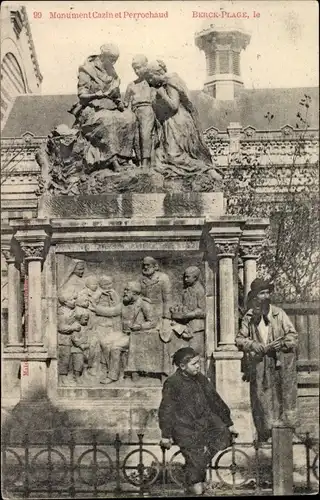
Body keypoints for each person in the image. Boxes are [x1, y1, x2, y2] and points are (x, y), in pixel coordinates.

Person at [159, 347, 236, 496]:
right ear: (182, 366)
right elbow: (166, 410)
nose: (198, 366)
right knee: (196, 461)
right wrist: (165, 434)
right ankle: (194, 485)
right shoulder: (172, 383)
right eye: (194, 364)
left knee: (224, 435)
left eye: (198, 363)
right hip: (184, 428)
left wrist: (228, 423)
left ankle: (195, 469)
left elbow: (215, 400)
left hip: (205, 423)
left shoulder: (200, 378)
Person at [235, 278, 298, 443]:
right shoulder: (249, 316)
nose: (265, 296)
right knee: (261, 399)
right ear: (254, 297)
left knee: (280, 397)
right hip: (260, 364)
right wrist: (253, 344)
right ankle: (264, 436)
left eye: (267, 293)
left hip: (279, 364)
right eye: (261, 293)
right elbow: (240, 339)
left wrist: (282, 343)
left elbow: (293, 337)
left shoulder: (279, 314)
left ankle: (282, 438)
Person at [145, 61, 222, 183]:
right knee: (165, 157)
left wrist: (161, 94)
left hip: (178, 122)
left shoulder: (170, 82)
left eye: (150, 77)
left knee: (175, 156)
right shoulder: (170, 81)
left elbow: (174, 105)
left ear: (156, 73)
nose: (150, 81)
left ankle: (208, 170)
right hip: (173, 121)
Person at [69, 43, 136, 172]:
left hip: (110, 106)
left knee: (130, 118)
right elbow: (82, 95)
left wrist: (119, 102)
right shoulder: (86, 69)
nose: (113, 62)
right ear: (103, 55)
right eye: (111, 58)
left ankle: (124, 158)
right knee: (107, 121)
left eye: (115, 59)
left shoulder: (111, 71)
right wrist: (97, 95)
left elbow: (115, 94)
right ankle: (112, 161)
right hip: (91, 107)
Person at [140, 256, 172, 379]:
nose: (146, 267)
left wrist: (166, 318)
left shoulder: (163, 278)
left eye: (148, 265)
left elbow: (167, 299)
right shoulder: (141, 279)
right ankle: (145, 372)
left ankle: (163, 372)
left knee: (161, 339)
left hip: (159, 314)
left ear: (155, 266)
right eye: (144, 265)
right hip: (145, 315)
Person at [170, 266, 206, 372]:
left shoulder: (200, 291)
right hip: (186, 325)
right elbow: (184, 305)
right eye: (184, 277)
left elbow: (202, 311)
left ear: (195, 278)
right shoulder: (186, 291)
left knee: (196, 353)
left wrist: (188, 315)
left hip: (196, 327)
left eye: (188, 277)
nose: (185, 280)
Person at [86, 275, 122, 381]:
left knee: (108, 347)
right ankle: (95, 368)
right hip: (98, 324)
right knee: (95, 346)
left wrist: (113, 295)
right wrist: (99, 293)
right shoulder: (97, 293)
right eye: (106, 284)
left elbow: (117, 308)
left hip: (110, 324)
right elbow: (91, 304)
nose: (108, 286)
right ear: (101, 285)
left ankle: (108, 369)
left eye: (110, 284)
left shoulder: (113, 293)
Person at [124, 55, 155, 168]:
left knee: (145, 134)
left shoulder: (152, 82)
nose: (137, 71)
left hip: (147, 110)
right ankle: (138, 161)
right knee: (136, 136)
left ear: (145, 66)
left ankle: (146, 162)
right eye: (134, 69)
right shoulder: (131, 85)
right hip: (134, 112)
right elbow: (125, 103)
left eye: (139, 67)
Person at [124, 281, 158, 382]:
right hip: (127, 333)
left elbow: (153, 322)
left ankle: (134, 372)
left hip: (139, 335)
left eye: (127, 290)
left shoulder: (144, 304)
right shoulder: (127, 302)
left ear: (135, 293)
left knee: (115, 347)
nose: (125, 292)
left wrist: (139, 326)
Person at [57, 289, 81, 386]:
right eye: (72, 300)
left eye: (75, 299)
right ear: (65, 302)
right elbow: (61, 327)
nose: (74, 301)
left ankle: (69, 375)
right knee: (64, 358)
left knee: (70, 358)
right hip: (63, 339)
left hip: (71, 339)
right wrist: (73, 327)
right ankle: (63, 378)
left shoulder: (72, 310)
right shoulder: (62, 312)